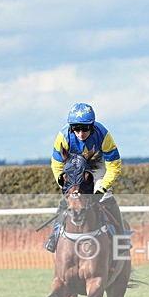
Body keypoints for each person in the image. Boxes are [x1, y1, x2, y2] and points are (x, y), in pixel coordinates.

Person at [44, 102, 125, 253]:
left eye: (85, 128)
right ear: (71, 128)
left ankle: (120, 239)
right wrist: (64, 185)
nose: (81, 133)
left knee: (107, 196)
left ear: (92, 126)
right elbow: (56, 166)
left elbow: (114, 165)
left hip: (97, 164)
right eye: (76, 129)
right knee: (70, 200)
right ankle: (54, 236)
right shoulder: (63, 137)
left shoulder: (103, 135)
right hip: (74, 167)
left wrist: (101, 188)